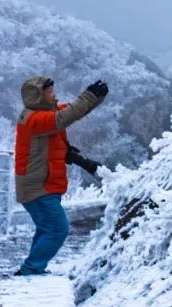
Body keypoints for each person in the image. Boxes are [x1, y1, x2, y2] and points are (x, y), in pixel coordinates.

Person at [13, 75, 109, 276]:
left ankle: (32, 270)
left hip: (45, 184)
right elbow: (65, 117)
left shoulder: (44, 115)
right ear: (37, 96)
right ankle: (30, 270)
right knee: (58, 229)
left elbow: (69, 111)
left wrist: (96, 98)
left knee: (45, 229)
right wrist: (89, 96)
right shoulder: (34, 119)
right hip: (37, 186)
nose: (53, 94)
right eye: (48, 92)